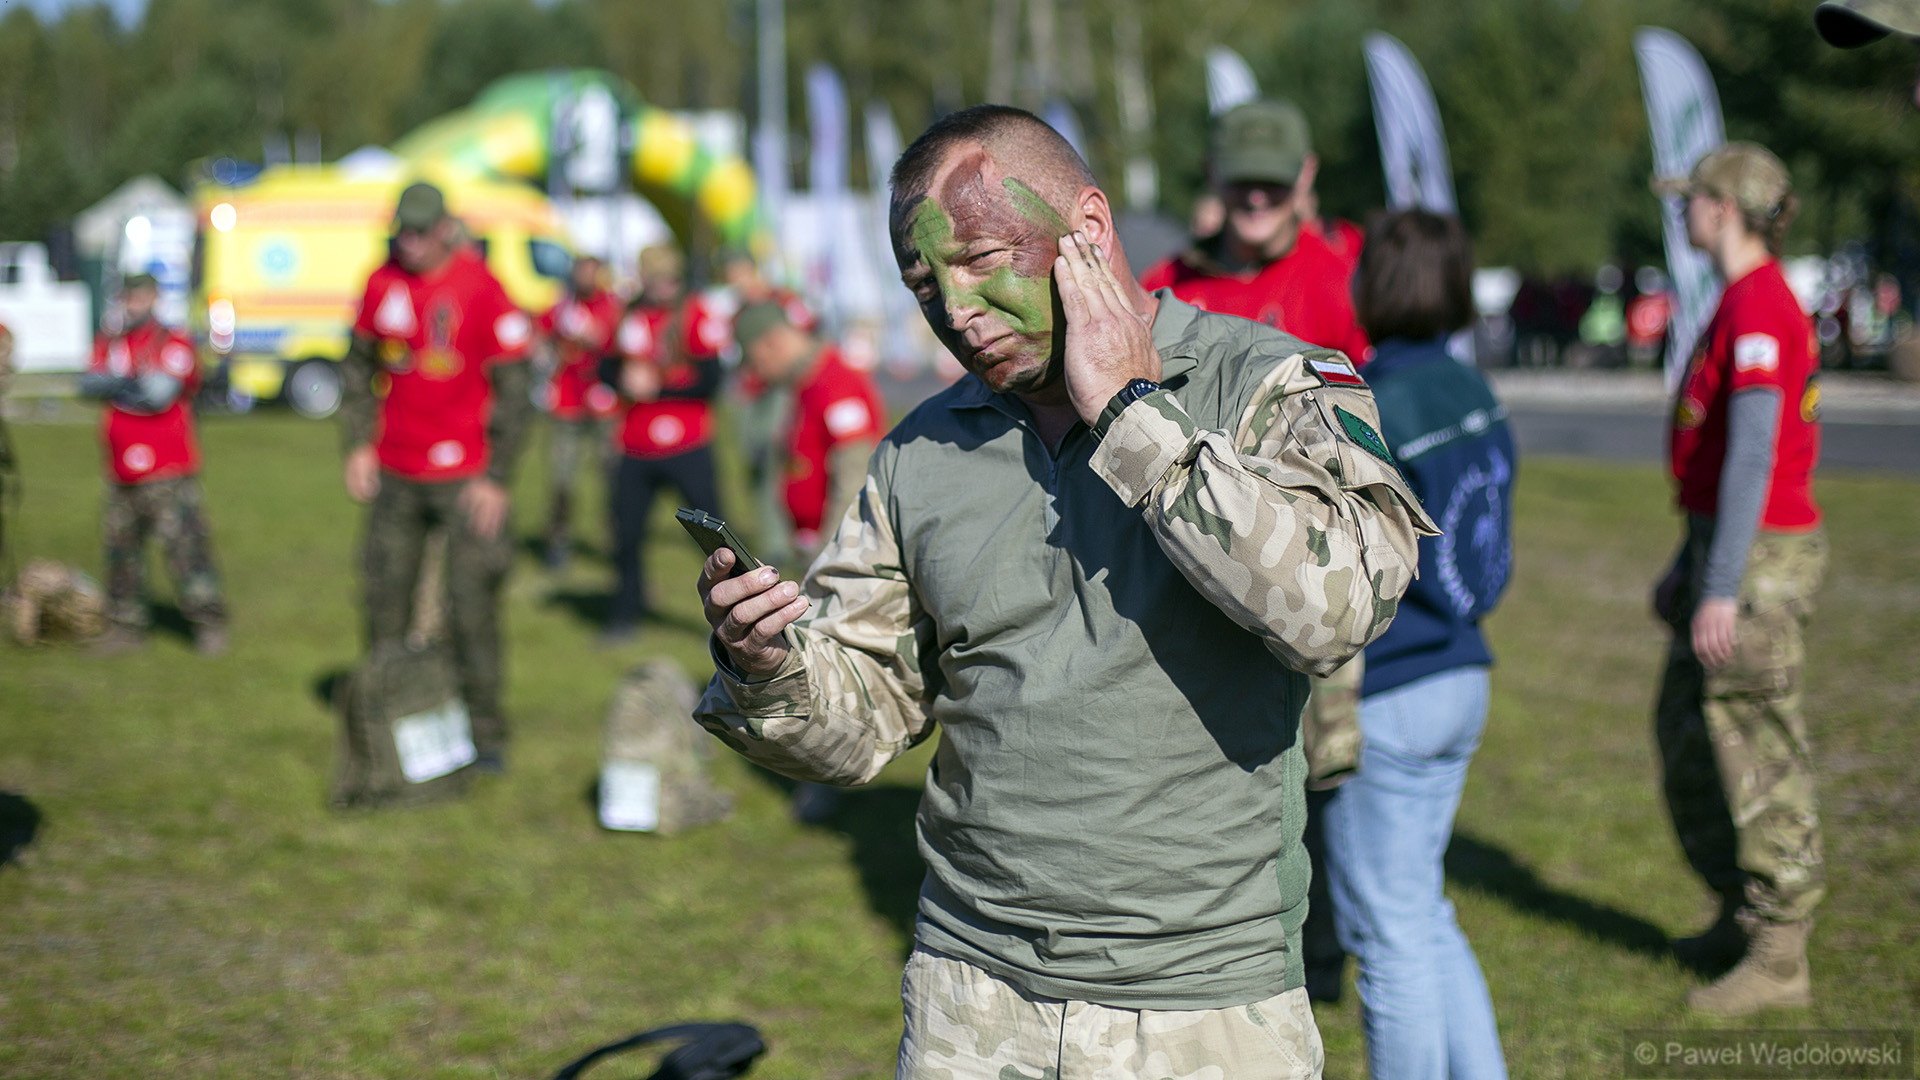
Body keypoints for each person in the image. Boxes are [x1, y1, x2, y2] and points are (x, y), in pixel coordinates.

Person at [693, 105, 1435, 1079]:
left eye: (986, 260)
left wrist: (1132, 415)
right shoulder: (924, 448)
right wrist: (769, 668)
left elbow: (1335, 614)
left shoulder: (1267, 382)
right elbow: (863, 721)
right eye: (926, 286)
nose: (958, 312)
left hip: (1202, 1004)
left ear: (1088, 228)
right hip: (974, 993)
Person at [1319, 211, 1514, 1080]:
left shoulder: (1369, 405)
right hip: (1463, 674)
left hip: (1392, 688)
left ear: (1372, 287)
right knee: (1422, 912)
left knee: (1388, 937)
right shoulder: (1476, 391)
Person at [1649, 143, 1827, 1017]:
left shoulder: (1758, 305)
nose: (1682, 212)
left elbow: (1754, 454)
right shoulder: (1739, 299)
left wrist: (1719, 586)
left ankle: (1781, 952)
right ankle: (1741, 908)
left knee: (1755, 743)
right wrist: (1690, 565)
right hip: (1725, 549)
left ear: (1724, 206)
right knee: (1690, 730)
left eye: (1692, 199)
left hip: (1756, 563)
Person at [338, 181, 534, 772]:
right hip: (397, 471)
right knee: (383, 601)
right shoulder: (380, 282)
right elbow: (356, 367)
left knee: (470, 604)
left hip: (466, 476)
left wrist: (497, 477)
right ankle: (391, 722)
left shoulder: (484, 287)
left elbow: (517, 389)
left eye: (422, 230)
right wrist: (357, 445)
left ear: (446, 228)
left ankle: (484, 734)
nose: (412, 242)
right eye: (404, 230)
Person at [1141, 99, 1371, 362]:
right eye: (1241, 179)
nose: (1256, 197)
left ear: (1306, 173)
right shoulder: (1165, 288)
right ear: (1210, 172)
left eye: (1272, 179)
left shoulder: (1350, 275)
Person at [76, 273, 229, 656]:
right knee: (121, 553)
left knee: (186, 551)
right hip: (120, 469)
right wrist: (127, 380)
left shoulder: (172, 340)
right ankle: (125, 626)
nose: (133, 302)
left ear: (154, 297)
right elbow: (87, 384)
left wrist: (116, 382)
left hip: (167, 467)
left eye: (141, 295)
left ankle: (208, 624)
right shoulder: (110, 341)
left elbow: (159, 394)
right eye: (128, 295)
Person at [600, 244, 726, 642]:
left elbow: (711, 380)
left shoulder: (696, 313)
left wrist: (659, 389)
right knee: (626, 534)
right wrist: (623, 381)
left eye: (672, 278)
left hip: (687, 444)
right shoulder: (627, 315)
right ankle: (626, 612)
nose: (666, 286)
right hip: (635, 445)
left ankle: (744, 612)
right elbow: (604, 367)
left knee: (714, 537)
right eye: (659, 278)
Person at [732, 302, 887, 563]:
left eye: (758, 362)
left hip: (843, 552)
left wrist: (831, 554)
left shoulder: (835, 383)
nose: (758, 374)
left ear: (773, 343)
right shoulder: (807, 381)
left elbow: (855, 474)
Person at [535, 253, 623, 569]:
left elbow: (621, 343)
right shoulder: (562, 305)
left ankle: (619, 543)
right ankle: (558, 541)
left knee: (613, 478)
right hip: (567, 401)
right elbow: (540, 333)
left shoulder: (612, 307)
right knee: (562, 479)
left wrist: (597, 339)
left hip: (603, 401)